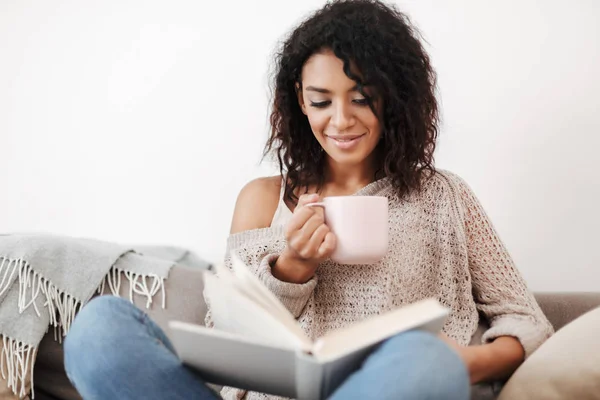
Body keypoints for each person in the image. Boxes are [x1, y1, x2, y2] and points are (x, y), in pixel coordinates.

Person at [63, 0, 554, 399]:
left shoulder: (445, 197)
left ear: (395, 97)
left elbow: (526, 319)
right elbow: (229, 337)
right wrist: (291, 268)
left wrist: (468, 361)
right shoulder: (262, 199)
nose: (340, 120)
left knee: (425, 364)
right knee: (99, 330)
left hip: (385, 390)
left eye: (361, 97)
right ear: (300, 100)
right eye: (321, 101)